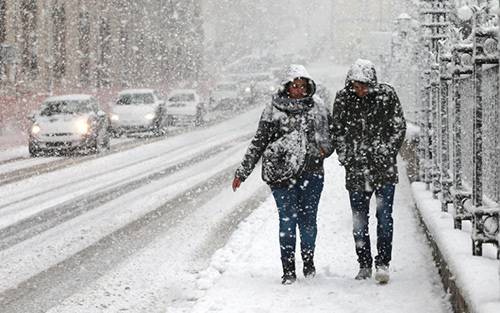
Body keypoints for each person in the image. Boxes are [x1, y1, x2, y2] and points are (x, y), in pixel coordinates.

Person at [232, 64, 334, 285]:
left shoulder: (319, 109)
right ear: (287, 87)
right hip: (282, 176)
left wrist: (319, 151)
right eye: (294, 86)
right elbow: (259, 142)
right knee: (287, 220)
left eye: (302, 86)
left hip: (312, 174)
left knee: (308, 221)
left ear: (308, 87)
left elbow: (330, 139)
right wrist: (243, 171)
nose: (298, 90)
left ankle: (308, 262)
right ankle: (288, 269)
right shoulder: (273, 109)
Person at [331, 59, 406, 284]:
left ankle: (382, 262)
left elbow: (398, 126)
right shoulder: (343, 99)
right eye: (356, 85)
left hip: (383, 170)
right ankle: (364, 263)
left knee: (384, 217)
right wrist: (346, 156)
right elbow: (337, 130)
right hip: (356, 170)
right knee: (359, 220)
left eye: (363, 85)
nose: (360, 90)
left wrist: (386, 151)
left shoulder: (387, 96)